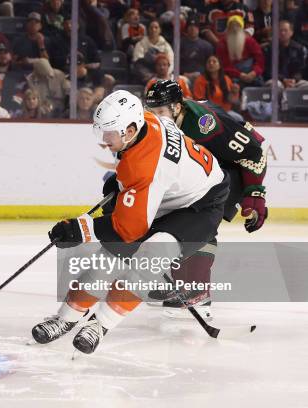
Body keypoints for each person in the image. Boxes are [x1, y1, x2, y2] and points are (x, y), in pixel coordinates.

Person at [31, 90, 229, 354]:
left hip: (200, 205)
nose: (104, 140)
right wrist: (123, 185)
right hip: (167, 192)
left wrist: (78, 229)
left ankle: (100, 324)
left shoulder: (146, 165)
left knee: (153, 255)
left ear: (130, 129)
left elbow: (129, 229)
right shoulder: (143, 123)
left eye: (109, 132)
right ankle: (65, 318)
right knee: (108, 259)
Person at [144, 79, 267, 317]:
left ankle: (198, 290)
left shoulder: (204, 124)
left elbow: (253, 151)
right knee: (172, 219)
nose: (156, 117)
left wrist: (255, 194)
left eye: (161, 112)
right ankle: (179, 285)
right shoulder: (164, 123)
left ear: (177, 108)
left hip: (228, 171)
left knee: (202, 223)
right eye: (152, 112)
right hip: (202, 170)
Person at [216, 15, 264, 87]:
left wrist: (254, 72)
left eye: (237, 26)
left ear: (242, 28)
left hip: (252, 75)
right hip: (233, 77)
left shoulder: (250, 41)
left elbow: (260, 60)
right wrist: (240, 75)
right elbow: (224, 65)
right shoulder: (222, 44)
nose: (235, 29)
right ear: (228, 29)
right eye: (232, 26)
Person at [263, 20, 308, 89]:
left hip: (295, 81)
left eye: (285, 30)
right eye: (280, 30)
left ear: (291, 33)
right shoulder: (269, 48)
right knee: (275, 85)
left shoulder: (299, 48)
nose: (283, 33)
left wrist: (294, 80)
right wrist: (283, 80)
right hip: (277, 80)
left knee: (306, 85)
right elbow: (268, 70)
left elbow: (301, 69)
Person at [180, 16, 215, 83]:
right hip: (183, 76)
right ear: (187, 29)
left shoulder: (207, 46)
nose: (193, 29)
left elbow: (210, 64)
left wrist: (202, 74)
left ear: (198, 29)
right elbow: (175, 62)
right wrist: (183, 73)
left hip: (202, 76)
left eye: (195, 27)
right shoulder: (179, 44)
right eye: (190, 27)